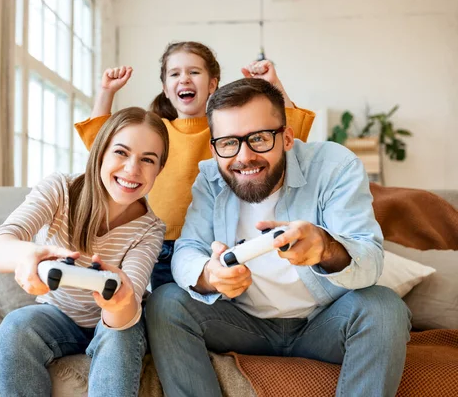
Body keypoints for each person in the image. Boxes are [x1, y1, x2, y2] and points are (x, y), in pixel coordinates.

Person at [145, 78, 412, 397]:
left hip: (324, 322)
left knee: (384, 306)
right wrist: (209, 274)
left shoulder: (333, 166)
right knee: (165, 302)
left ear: (286, 137)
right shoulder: (211, 178)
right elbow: (188, 250)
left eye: (258, 138)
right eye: (228, 142)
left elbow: (369, 259)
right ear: (215, 144)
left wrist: (325, 248)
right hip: (242, 324)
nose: (244, 157)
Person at [76, 41, 315, 290]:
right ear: (165, 89)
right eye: (175, 74)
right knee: (164, 306)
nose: (185, 79)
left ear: (212, 84)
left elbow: (291, 135)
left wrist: (273, 86)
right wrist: (106, 92)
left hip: (212, 243)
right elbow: (100, 144)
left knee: (211, 305)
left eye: (194, 72)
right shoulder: (157, 131)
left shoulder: (225, 132)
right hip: (160, 244)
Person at [0, 107, 169, 397]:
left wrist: (119, 303)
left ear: (159, 170)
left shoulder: (150, 228)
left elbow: (127, 310)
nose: (133, 169)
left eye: (148, 160)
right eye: (121, 152)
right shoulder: (60, 189)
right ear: (100, 153)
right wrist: (27, 255)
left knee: (120, 336)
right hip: (58, 315)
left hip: (115, 323)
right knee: (16, 326)